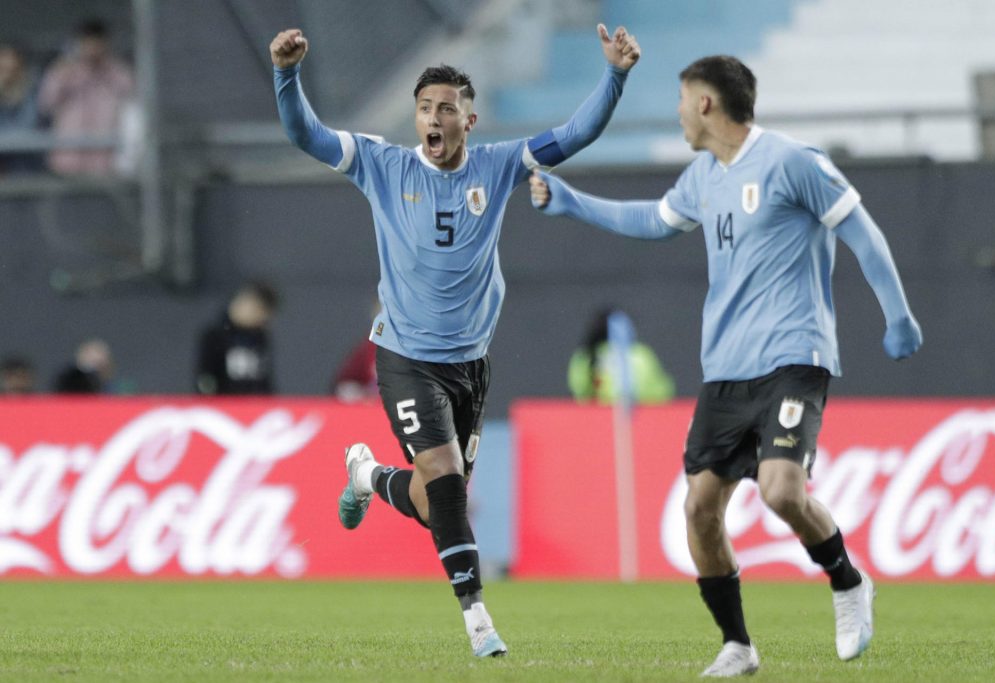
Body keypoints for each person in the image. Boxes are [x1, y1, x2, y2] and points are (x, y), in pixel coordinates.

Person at [530, 55, 922, 676]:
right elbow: (653, 222)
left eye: (683, 99)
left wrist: (896, 315)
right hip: (725, 372)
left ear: (706, 102)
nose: (679, 112)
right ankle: (738, 644)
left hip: (796, 358)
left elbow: (863, 233)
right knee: (699, 509)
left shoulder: (795, 161)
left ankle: (848, 583)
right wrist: (573, 203)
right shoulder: (703, 177)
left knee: (779, 489)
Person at [270, 23, 640, 658]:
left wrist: (615, 75)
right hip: (406, 357)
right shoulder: (381, 164)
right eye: (424, 108)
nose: (432, 118)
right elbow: (306, 135)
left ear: (469, 120)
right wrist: (286, 74)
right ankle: (478, 620)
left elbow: (575, 135)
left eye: (445, 108)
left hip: (469, 364)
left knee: (433, 499)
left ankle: (366, 475)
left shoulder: (498, 167)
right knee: (443, 480)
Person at [37, 19, 134, 176]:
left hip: (105, 161)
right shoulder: (64, 71)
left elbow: (132, 104)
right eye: (87, 42)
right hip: (69, 159)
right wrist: (64, 71)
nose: (93, 48)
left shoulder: (118, 72)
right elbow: (46, 104)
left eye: (97, 42)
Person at [567, 307, 674, 404]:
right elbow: (663, 390)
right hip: (647, 416)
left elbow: (580, 391)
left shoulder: (585, 356)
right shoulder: (642, 354)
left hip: (599, 417)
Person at [195, 281, 278, 395]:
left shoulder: (259, 338)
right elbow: (206, 377)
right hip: (224, 407)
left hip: (255, 407)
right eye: (256, 310)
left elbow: (264, 379)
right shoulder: (215, 336)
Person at [0, 43, 43, 174]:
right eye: (2, 70)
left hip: (26, 169)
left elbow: (28, 126)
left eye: (11, 70)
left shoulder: (31, 94)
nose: (7, 76)